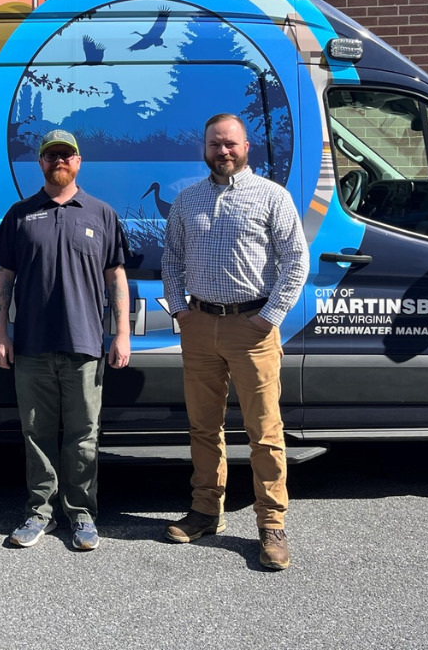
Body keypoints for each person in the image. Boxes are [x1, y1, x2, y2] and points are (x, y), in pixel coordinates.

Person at [161, 113, 308, 570]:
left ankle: (272, 525)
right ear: (203, 149)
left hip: (253, 327)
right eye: (214, 145)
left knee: (264, 433)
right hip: (201, 325)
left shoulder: (271, 196)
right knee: (204, 427)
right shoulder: (187, 200)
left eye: (230, 144)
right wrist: (180, 310)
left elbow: (296, 261)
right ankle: (206, 511)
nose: (222, 151)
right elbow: (171, 261)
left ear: (247, 146)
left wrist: (270, 318)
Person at [0, 129, 131, 551]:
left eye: (66, 155)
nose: (59, 161)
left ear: (78, 162)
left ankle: (81, 513)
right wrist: (0, 331)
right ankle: (40, 512)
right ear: (41, 163)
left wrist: (121, 334)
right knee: (37, 434)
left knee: (83, 434)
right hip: (30, 346)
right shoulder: (20, 214)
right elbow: (4, 276)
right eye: (51, 156)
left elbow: (115, 277)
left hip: (85, 345)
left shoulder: (101, 214)